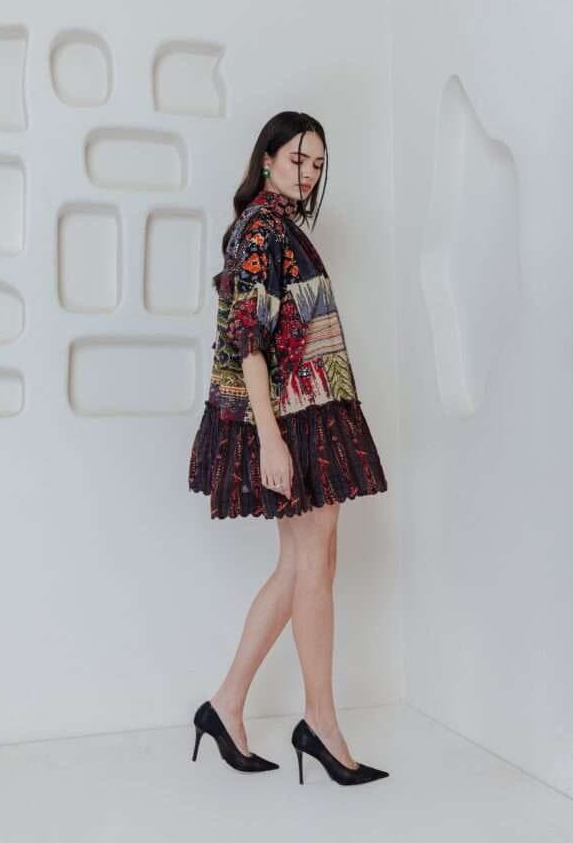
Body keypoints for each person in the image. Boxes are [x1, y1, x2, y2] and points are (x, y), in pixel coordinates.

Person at [188, 111, 389, 786]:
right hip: (292, 420)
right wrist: (271, 441)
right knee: (313, 565)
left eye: (319, 164)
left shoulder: (280, 228)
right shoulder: (261, 230)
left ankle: (226, 706)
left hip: (311, 409)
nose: (309, 173)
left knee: (305, 563)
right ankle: (321, 722)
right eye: (300, 159)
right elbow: (248, 342)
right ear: (268, 158)